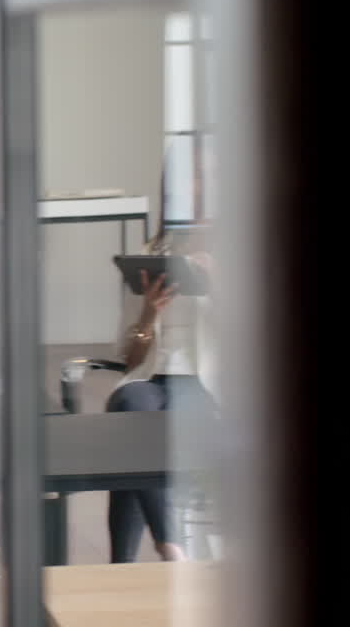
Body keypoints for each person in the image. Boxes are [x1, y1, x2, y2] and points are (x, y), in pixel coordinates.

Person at [106, 227, 217, 563]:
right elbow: (130, 360)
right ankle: (171, 547)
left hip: (207, 385)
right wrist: (149, 312)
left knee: (133, 442)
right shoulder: (150, 261)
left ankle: (126, 564)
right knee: (130, 405)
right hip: (151, 380)